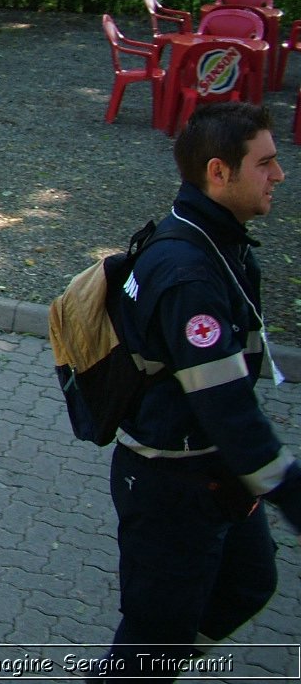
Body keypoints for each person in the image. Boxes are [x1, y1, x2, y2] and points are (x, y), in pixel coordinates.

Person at [106, 102, 297, 679]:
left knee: (249, 581)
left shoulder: (211, 239)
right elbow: (227, 408)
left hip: (213, 473)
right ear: (219, 172)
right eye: (265, 163)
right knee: (151, 636)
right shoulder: (189, 273)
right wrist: (289, 487)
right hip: (171, 490)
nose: (280, 175)